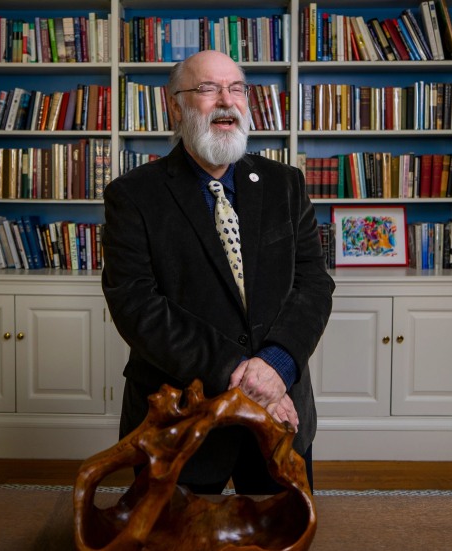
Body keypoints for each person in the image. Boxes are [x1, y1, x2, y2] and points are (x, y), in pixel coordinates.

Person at [101, 50, 335, 495]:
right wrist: (245, 375)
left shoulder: (286, 184)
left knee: (278, 538)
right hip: (180, 418)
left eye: (237, 89)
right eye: (207, 89)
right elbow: (137, 307)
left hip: (278, 413)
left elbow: (313, 284)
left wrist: (277, 366)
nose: (226, 101)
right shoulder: (132, 196)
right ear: (176, 106)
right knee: (172, 544)